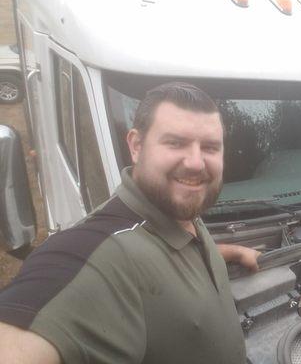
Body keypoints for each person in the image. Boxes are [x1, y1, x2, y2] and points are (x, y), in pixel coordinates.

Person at [0, 82, 260, 364]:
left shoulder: (180, 211)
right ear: (136, 146)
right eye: (175, 143)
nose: (196, 163)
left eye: (209, 147)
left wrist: (229, 252)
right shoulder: (90, 253)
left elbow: (170, 260)